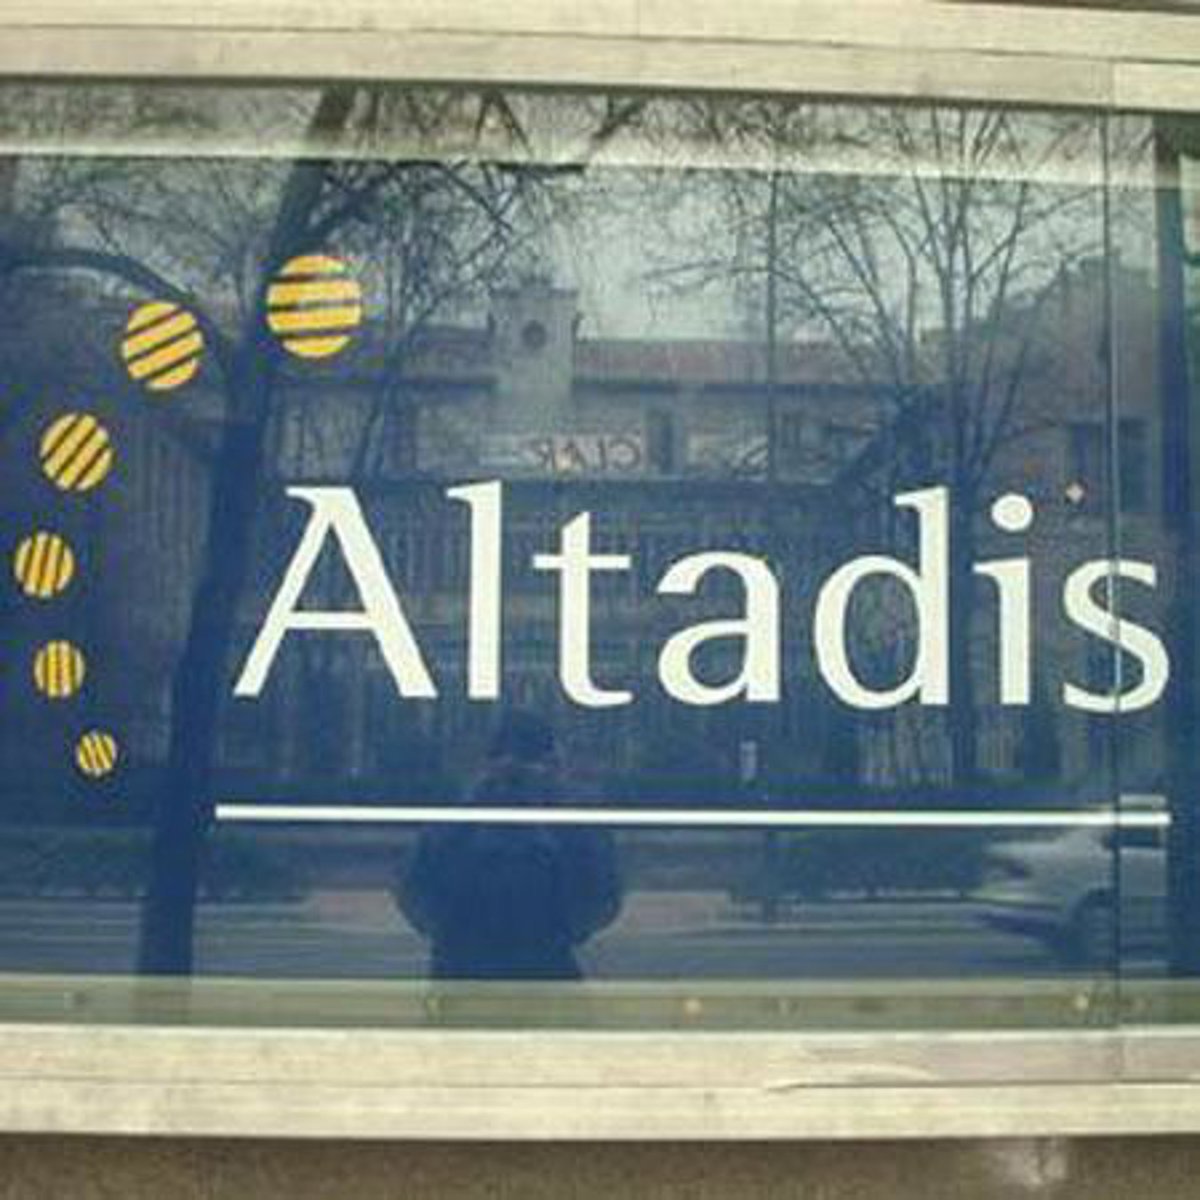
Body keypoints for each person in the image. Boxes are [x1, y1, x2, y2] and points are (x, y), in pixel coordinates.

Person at [397, 709, 622, 980]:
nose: (514, 773)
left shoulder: (565, 823)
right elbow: (598, 900)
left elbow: (417, 895)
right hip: (514, 967)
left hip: (489, 969)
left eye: (527, 759)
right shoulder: (458, 823)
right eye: (502, 758)